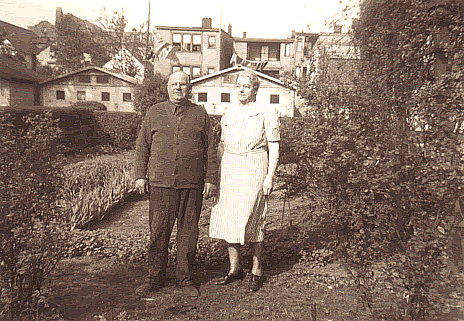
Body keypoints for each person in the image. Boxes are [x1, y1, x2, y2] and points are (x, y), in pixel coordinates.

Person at [134, 71, 218, 298]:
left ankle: (185, 278)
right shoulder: (154, 112)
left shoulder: (200, 114)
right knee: (158, 232)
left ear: (189, 88)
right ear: (167, 87)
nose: (178, 88)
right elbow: (142, 147)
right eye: (174, 84)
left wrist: (211, 179)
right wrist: (140, 175)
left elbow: (210, 148)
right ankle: (154, 277)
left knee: (188, 234)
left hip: (191, 184)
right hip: (161, 184)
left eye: (183, 84)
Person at [209, 69, 280, 292]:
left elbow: (274, 146)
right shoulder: (228, 112)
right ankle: (234, 268)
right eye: (238, 85)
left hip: (254, 165)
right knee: (228, 216)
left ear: (255, 90)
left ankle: (257, 270)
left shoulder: (266, 112)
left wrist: (270, 176)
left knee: (254, 216)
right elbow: (221, 145)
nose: (241, 89)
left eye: (246, 86)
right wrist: (216, 175)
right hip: (229, 166)